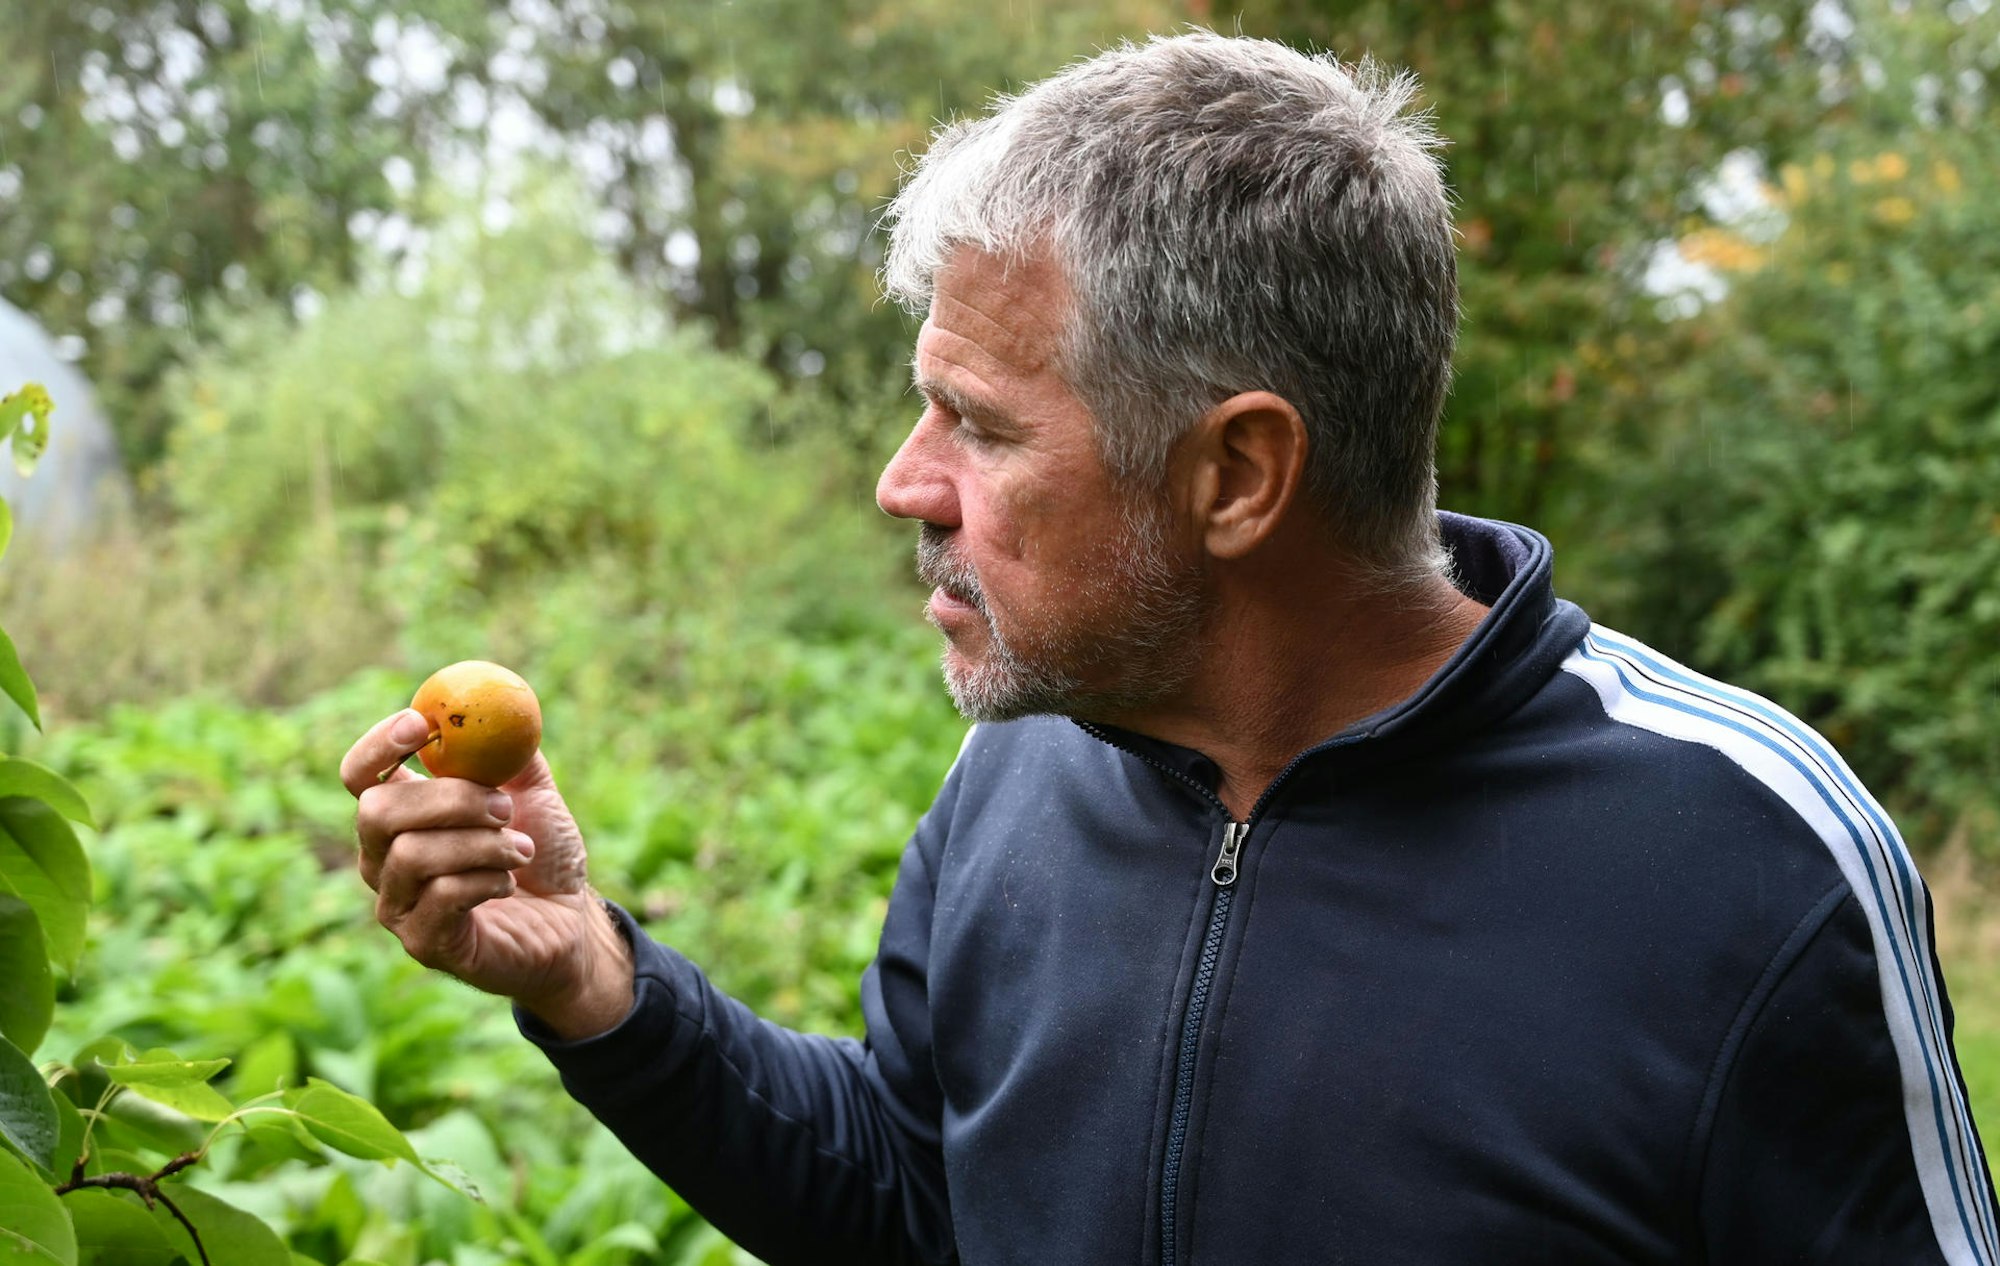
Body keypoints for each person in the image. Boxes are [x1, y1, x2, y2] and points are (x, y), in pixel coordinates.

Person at [340, 31, 1997, 1265]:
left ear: (1237, 475)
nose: (904, 483)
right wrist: (598, 982)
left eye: (982, 425)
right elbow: (924, 1200)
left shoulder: (1748, 866)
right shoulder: (1018, 773)